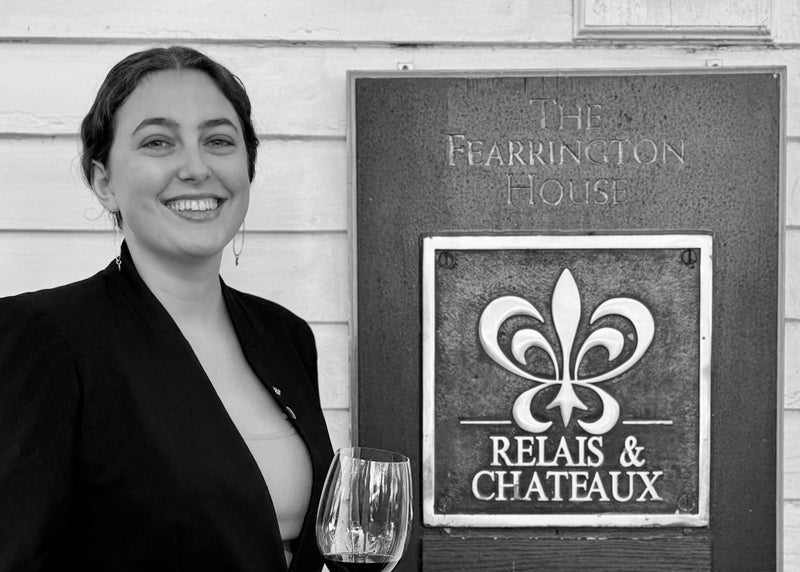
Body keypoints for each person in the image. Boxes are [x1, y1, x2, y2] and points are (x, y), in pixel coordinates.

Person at [0, 46, 334, 571]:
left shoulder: (285, 335)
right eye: (158, 142)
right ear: (104, 182)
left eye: (219, 141)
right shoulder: (42, 335)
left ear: (248, 167)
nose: (196, 167)